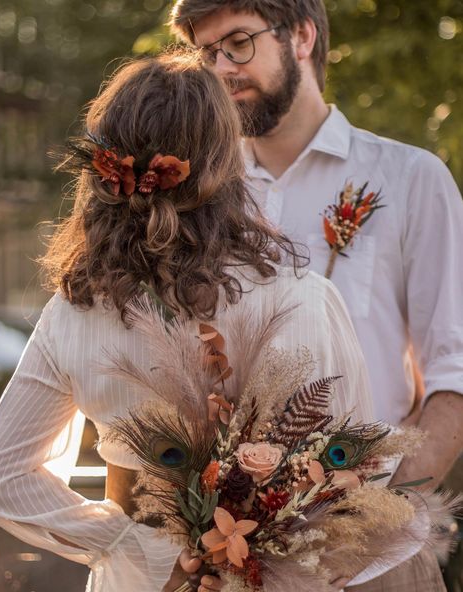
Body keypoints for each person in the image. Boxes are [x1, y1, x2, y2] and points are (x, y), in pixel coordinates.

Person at [0, 52, 375, 592]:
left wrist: (128, 544)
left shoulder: (77, 309)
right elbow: (354, 478)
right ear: (226, 162)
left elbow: (1, 474)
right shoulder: (300, 300)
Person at [169, 1, 463, 591]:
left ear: (301, 35)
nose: (222, 68)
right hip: (223, 556)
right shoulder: (196, 197)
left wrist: (384, 520)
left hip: (372, 558)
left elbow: (453, 374)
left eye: (239, 43)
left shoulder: (409, 178)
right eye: (207, 53)